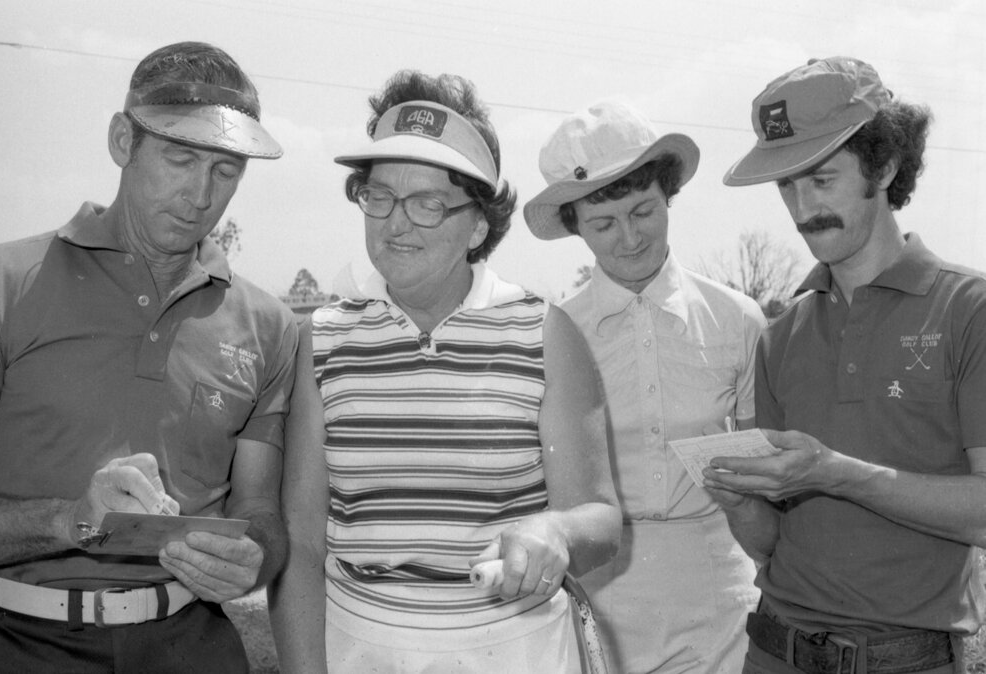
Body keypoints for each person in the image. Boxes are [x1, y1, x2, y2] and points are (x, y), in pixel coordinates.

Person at [269, 70, 621, 673]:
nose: (395, 223)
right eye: (379, 195)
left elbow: (601, 517)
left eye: (428, 202)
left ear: (479, 224)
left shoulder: (545, 333)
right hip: (363, 651)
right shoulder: (320, 339)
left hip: (516, 652)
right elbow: (301, 544)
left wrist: (557, 532)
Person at [0, 42, 298, 673]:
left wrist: (257, 557)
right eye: (180, 158)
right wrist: (71, 520)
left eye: (226, 170)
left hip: (191, 646)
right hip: (16, 643)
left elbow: (260, 509)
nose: (200, 194)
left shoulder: (269, 325)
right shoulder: (2, 284)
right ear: (122, 141)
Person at [707, 56, 986, 674]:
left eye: (821, 179)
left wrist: (839, 474)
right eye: (786, 186)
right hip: (773, 650)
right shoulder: (780, 337)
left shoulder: (970, 310)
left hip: (906, 661)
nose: (802, 209)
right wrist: (738, 498)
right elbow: (772, 545)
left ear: (884, 166)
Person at [523, 98, 767, 673]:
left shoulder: (738, 319)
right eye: (604, 223)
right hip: (598, 590)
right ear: (574, 227)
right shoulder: (551, 334)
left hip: (719, 592)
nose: (629, 238)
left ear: (668, 199)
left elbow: (766, 477)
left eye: (644, 212)